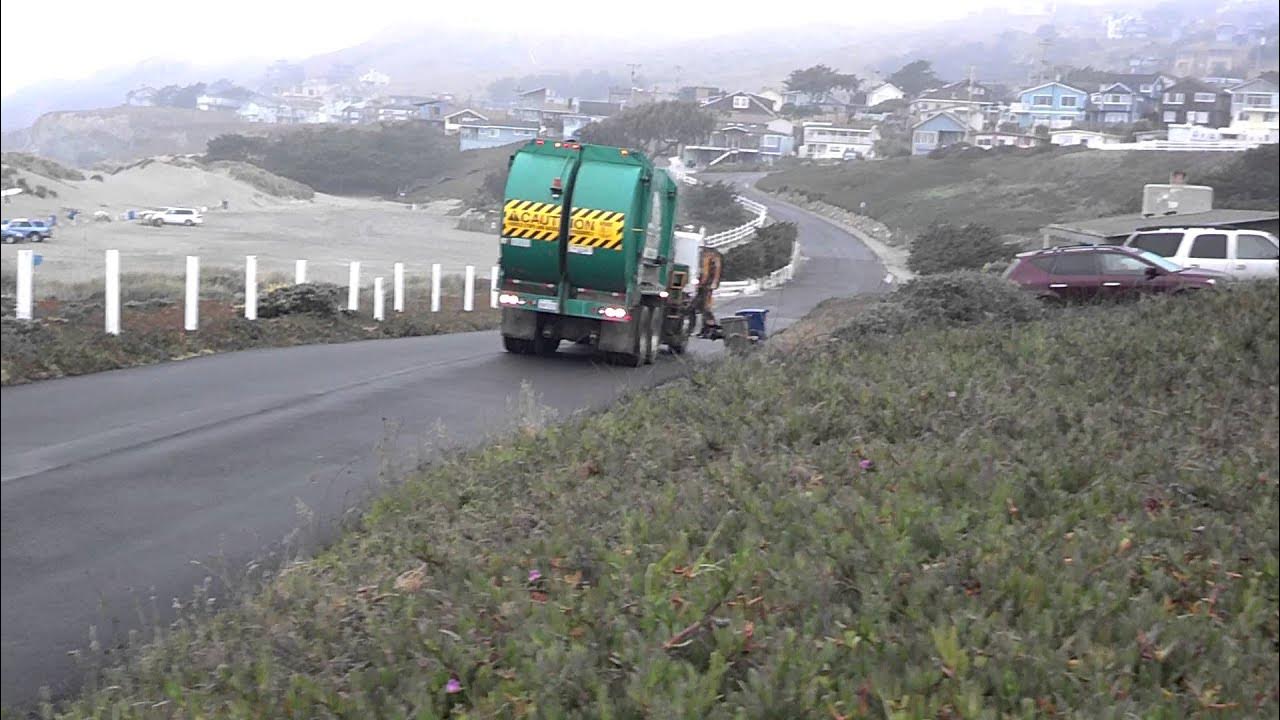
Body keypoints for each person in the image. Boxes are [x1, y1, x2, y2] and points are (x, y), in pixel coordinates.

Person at [695, 248, 724, 338]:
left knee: (705, 307)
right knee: (701, 306)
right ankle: (706, 328)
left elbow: (713, 272)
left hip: (706, 285)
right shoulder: (708, 257)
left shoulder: (712, 258)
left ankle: (710, 328)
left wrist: (713, 283)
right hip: (703, 285)